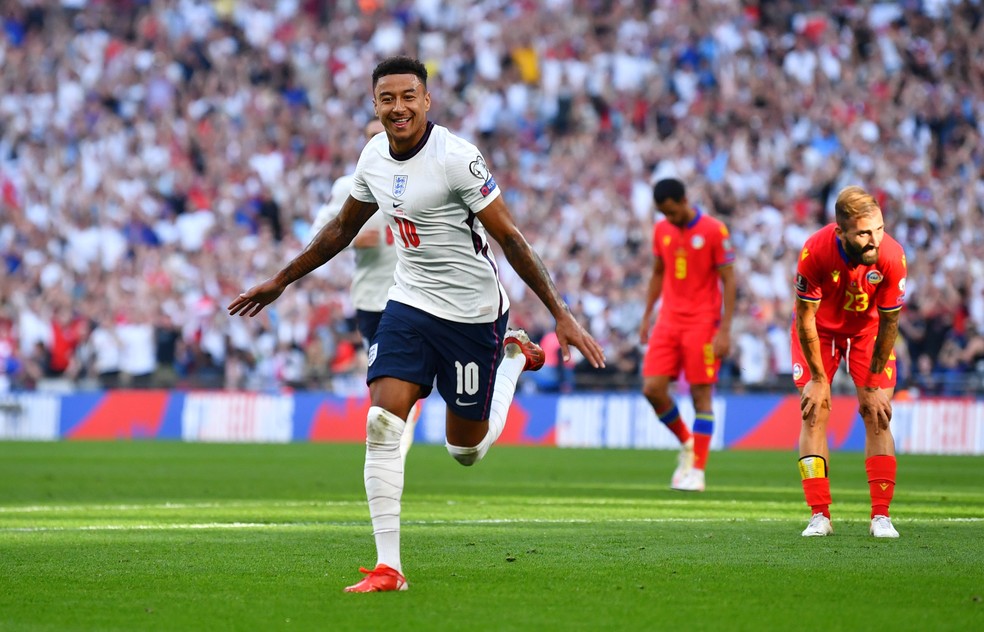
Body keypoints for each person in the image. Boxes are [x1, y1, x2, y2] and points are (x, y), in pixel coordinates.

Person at [228, 56, 606, 592]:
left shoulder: (457, 158)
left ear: (426, 101)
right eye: (387, 98)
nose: (398, 107)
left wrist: (560, 314)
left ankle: (512, 360)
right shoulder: (373, 156)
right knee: (383, 423)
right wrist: (282, 279)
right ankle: (389, 567)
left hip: (473, 315)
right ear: (375, 103)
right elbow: (341, 228)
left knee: (465, 451)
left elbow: (512, 239)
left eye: (409, 96)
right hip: (407, 304)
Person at [792, 185, 906, 538]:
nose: (875, 240)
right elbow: (805, 318)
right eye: (864, 234)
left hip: (868, 330)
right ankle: (819, 514)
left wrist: (872, 385)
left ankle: (881, 516)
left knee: (878, 413)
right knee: (815, 411)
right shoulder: (815, 251)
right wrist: (818, 377)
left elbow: (890, 322)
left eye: (880, 229)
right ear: (841, 232)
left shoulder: (892, 255)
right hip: (820, 331)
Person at [310, 119, 419, 462]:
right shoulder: (350, 186)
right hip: (373, 298)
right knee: (383, 380)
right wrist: (353, 238)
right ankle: (393, 434)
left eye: (382, 133)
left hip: (417, 293)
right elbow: (317, 234)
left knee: (403, 374)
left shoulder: (421, 177)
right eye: (372, 135)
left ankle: (394, 437)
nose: (379, 139)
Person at [638, 178, 736, 492]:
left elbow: (729, 281)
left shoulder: (714, 230)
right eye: (663, 214)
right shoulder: (661, 230)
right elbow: (657, 273)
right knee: (652, 389)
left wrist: (724, 329)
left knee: (700, 396)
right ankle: (687, 442)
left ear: (683, 201)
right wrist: (646, 315)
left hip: (702, 324)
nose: (669, 219)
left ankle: (697, 471)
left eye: (671, 212)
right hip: (668, 321)